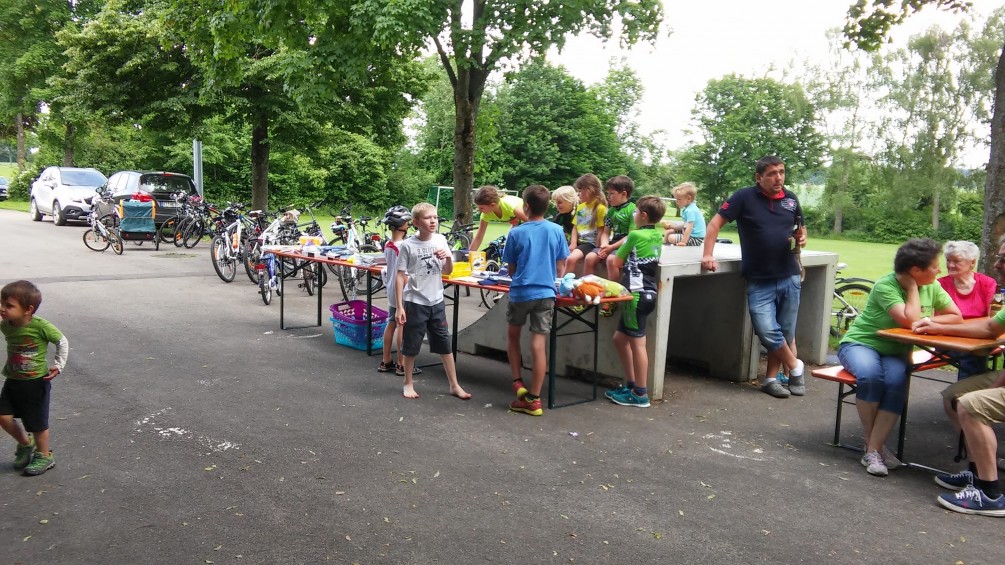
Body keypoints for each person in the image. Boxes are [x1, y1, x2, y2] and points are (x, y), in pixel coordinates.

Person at [838, 238, 962, 477]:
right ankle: (874, 447)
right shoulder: (886, 286)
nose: (940, 270)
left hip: (896, 350)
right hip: (861, 344)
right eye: (935, 266)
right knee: (871, 376)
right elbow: (909, 321)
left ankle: (872, 449)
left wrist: (929, 321)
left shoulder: (933, 285)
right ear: (916, 271)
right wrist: (913, 289)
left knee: (896, 382)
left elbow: (956, 316)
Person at [701, 156, 807, 399]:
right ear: (759, 177)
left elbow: (801, 229)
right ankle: (795, 365)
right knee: (767, 330)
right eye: (772, 173)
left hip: (789, 274)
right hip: (759, 277)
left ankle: (771, 379)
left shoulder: (791, 200)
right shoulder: (743, 197)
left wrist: (802, 238)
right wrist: (707, 254)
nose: (778, 177)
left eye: (781, 172)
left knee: (785, 332)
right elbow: (715, 224)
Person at [912, 241, 1005, 515]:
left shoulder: (987, 284)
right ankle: (976, 472)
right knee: (954, 396)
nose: (997, 264)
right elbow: (991, 327)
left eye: (1003, 259)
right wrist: (938, 327)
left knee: (970, 404)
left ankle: (989, 495)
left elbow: (989, 328)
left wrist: (996, 387)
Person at [503, 185, 570, 416]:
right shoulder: (557, 230)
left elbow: (511, 269)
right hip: (546, 294)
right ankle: (534, 399)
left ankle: (517, 382)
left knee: (513, 336)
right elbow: (561, 266)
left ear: (526, 206)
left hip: (520, 293)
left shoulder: (516, 232)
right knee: (538, 344)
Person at [394, 203, 471, 401]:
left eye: (435, 217)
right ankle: (408, 382)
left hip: (436, 301)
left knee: (445, 344)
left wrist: (448, 258)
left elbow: (448, 271)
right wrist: (400, 306)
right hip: (415, 302)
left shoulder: (440, 240)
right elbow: (400, 275)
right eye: (428, 218)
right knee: (411, 345)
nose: (433, 221)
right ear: (416, 222)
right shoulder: (408, 245)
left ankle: (454, 385)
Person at [0, 280, 69, 476]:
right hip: (13, 380)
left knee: (37, 424)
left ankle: (44, 455)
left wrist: (58, 365)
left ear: (28, 310)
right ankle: (25, 443)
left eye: (9, 305)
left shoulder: (40, 326)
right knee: (3, 417)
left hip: (36, 382)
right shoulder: (6, 325)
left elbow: (62, 341)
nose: (2, 308)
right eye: (1, 303)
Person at [605, 196, 666, 408]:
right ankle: (631, 385)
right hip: (648, 293)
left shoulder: (634, 235)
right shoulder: (657, 235)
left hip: (635, 295)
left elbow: (616, 261)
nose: (634, 214)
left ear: (644, 215)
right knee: (619, 339)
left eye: (636, 211)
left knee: (638, 344)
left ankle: (640, 393)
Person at [938, 240, 998, 379]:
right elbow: (939, 318)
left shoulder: (987, 283)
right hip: (947, 336)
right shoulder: (940, 284)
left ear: (972, 262)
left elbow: (992, 316)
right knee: (971, 352)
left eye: (957, 261)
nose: (950, 265)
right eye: (948, 260)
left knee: (974, 351)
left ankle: (969, 390)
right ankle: (967, 391)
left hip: (979, 336)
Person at [376, 205, 420, 378]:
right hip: (403, 291)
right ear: (401, 225)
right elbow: (405, 273)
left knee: (391, 322)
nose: (408, 225)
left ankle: (386, 360)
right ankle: (402, 363)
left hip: (392, 289)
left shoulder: (388, 244)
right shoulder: (404, 246)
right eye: (406, 222)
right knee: (403, 325)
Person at [592, 175, 637, 286]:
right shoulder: (610, 211)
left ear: (624, 194)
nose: (608, 197)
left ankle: (614, 292)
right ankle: (589, 289)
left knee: (611, 260)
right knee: (590, 258)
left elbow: (631, 235)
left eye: (611, 194)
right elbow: (606, 232)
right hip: (612, 243)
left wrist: (610, 248)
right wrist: (604, 245)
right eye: (607, 194)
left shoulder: (633, 210)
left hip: (627, 244)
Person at [565, 174, 608, 277]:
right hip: (580, 242)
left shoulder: (600, 208)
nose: (578, 194)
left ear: (589, 190)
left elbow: (601, 230)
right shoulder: (580, 207)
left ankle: (564, 282)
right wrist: (573, 243)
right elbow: (575, 227)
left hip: (590, 243)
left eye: (580, 191)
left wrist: (598, 248)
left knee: (571, 259)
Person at [467, 185, 528, 254]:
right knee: (508, 248)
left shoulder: (510, 206)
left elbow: (534, 223)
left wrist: (519, 221)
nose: (479, 210)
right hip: (518, 223)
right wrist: (469, 254)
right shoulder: (485, 215)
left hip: (530, 219)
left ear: (492, 205)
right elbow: (478, 238)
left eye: (481, 208)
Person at [663, 182, 706, 247]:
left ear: (689, 198)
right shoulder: (688, 208)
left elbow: (689, 227)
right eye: (676, 199)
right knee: (668, 232)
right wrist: (672, 227)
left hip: (695, 239)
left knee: (671, 238)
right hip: (690, 235)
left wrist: (683, 241)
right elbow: (685, 225)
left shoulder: (690, 210)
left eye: (679, 199)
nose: (676, 202)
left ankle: (674, 246)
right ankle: (665, 247)